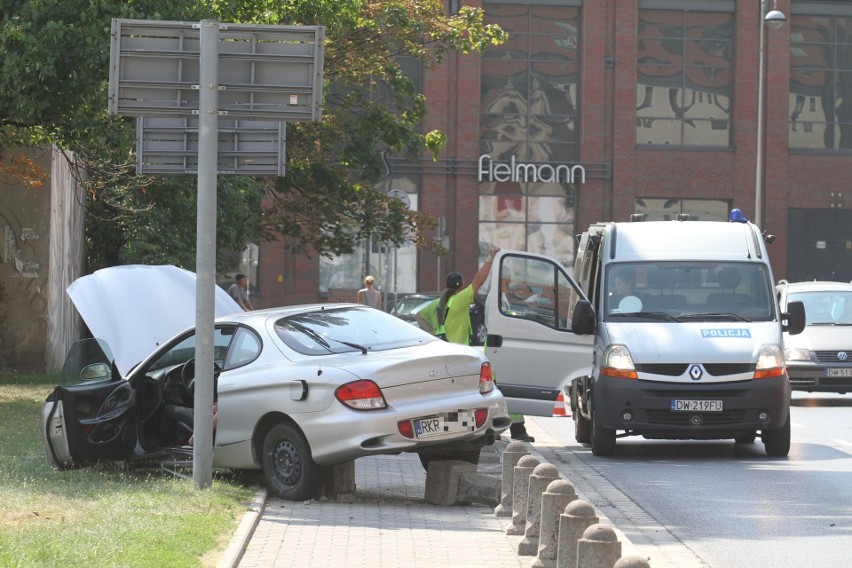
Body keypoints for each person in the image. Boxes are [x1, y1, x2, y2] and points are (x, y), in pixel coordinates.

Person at [416, 246, 499, 345]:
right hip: (458, 350)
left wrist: (433, 334)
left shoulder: (435, 304)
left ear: (445, 284)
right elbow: (479, 280)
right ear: (462, 284)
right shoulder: (460, 300)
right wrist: (491, 256)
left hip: (441, 349)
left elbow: (418, 316)